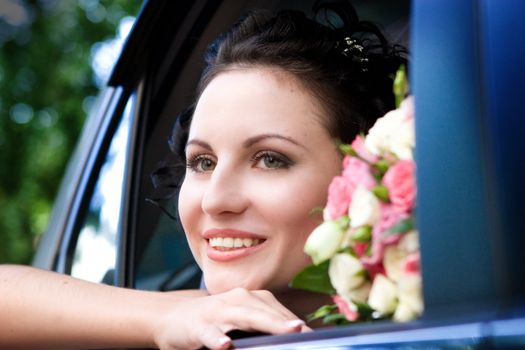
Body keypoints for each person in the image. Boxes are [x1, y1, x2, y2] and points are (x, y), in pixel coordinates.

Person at [0, 1, 406, 349]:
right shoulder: (177, 326)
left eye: (269, 159)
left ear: (366, 175)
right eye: (203, 163)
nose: (214, 199)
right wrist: (170, 314)